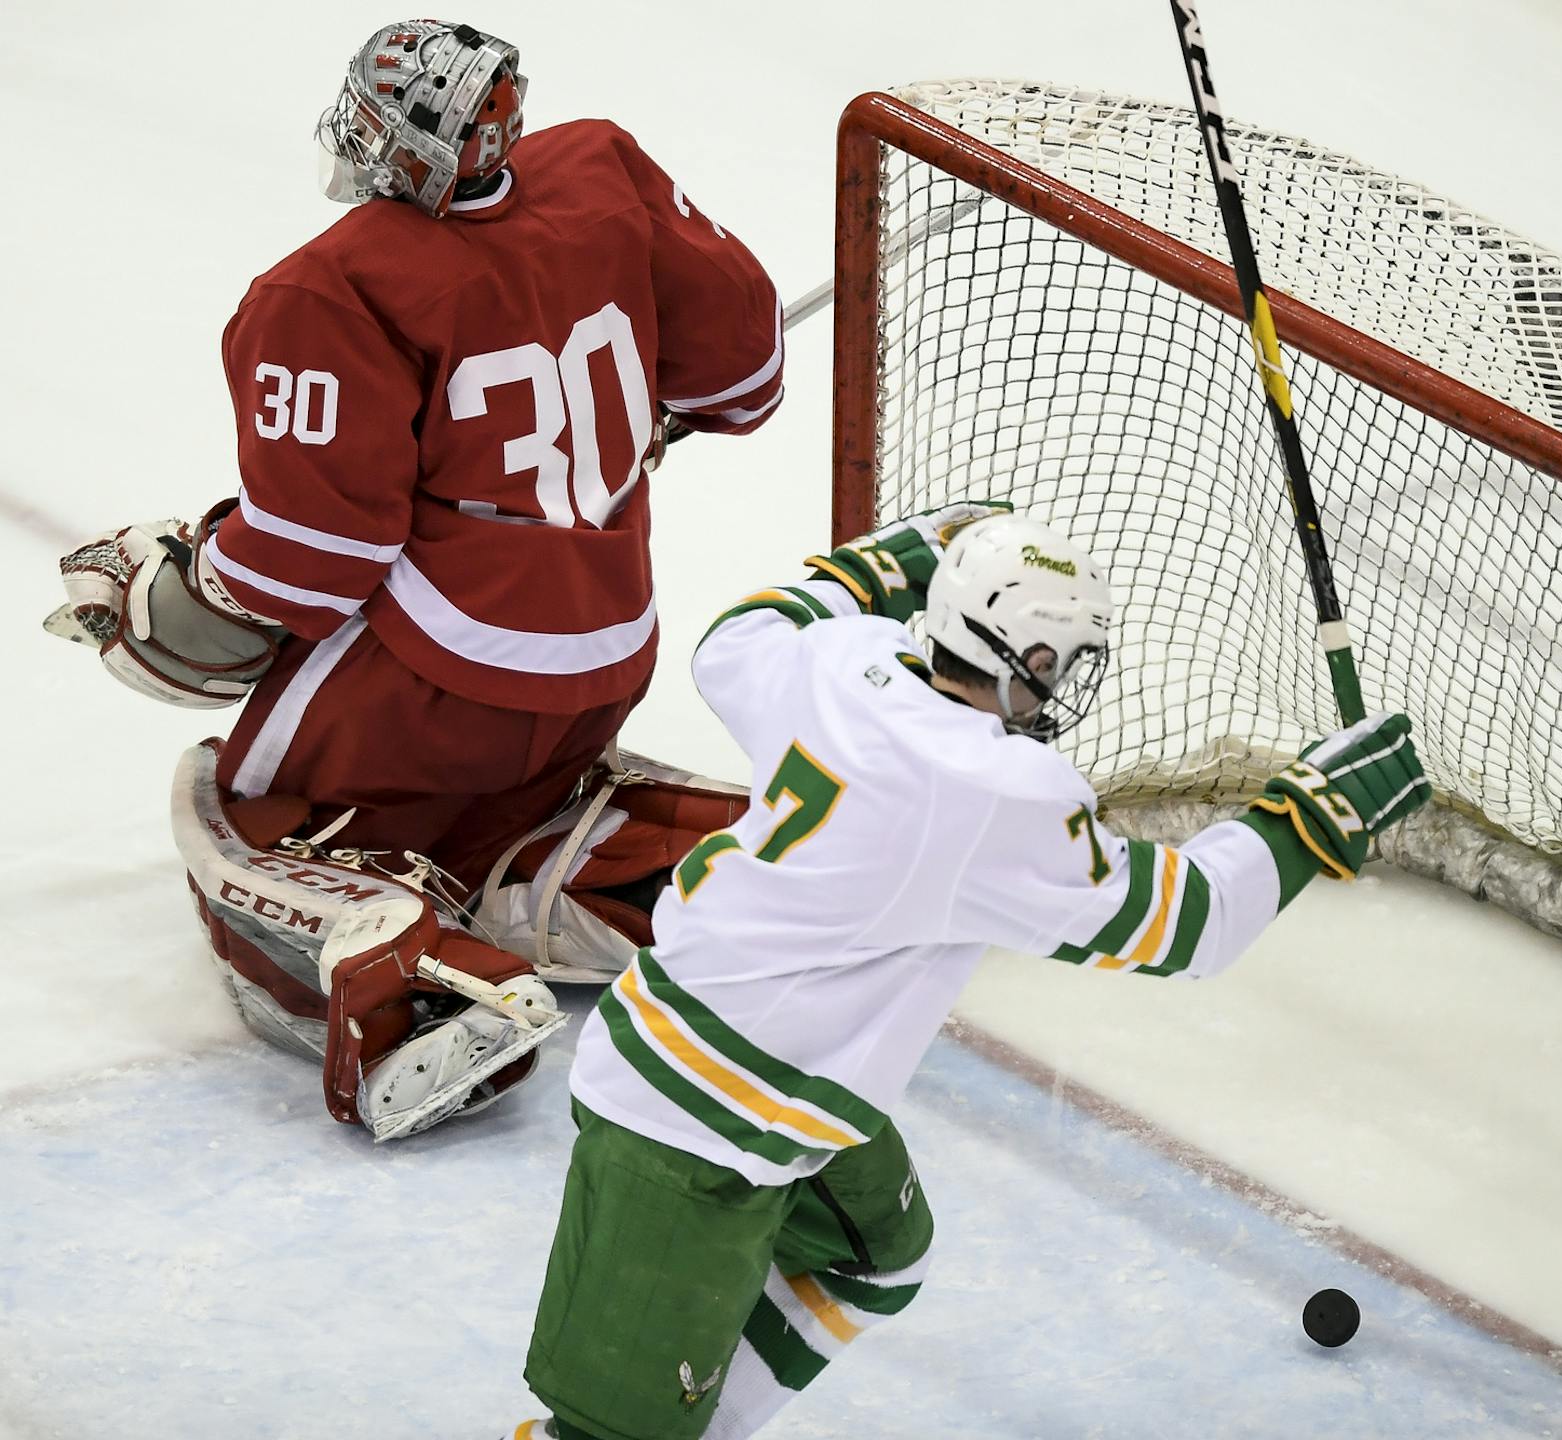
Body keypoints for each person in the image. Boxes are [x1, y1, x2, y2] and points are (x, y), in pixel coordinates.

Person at [503, 507, 1431, 1440]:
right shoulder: (995, 795)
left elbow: (740, 638)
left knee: (876, 1254)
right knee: (601, 1436)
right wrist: (1315, 815)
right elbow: (1194, 923)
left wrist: (888, 562)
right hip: (685, 1132)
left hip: (742, 1075)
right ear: (1029, 659)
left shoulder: (839, 660)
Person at [45, 19, 775, 1140]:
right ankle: (702, 875)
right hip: (609, 646)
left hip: (450, 671)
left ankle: (412, 987)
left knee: (246, 822)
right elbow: (743, 379)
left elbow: (314, 564)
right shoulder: (603, 167)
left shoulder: (330, 290)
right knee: (519, 803)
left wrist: (189, 577)